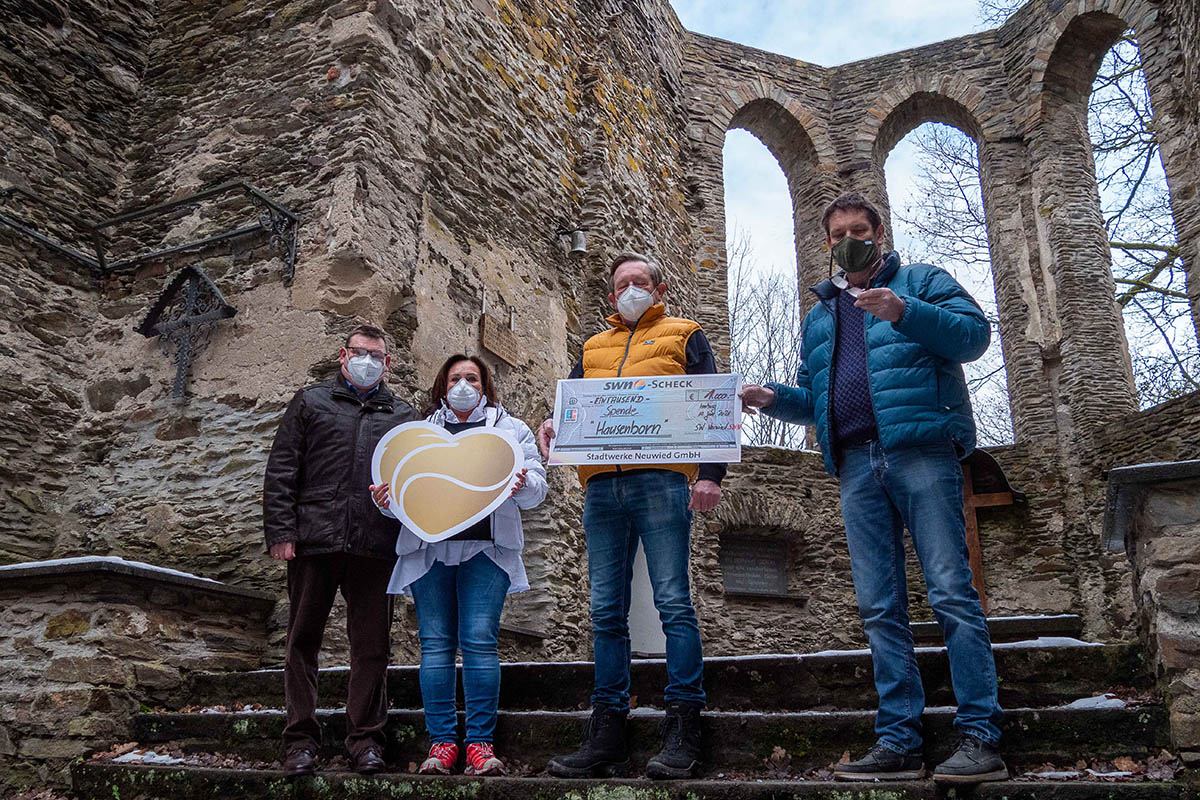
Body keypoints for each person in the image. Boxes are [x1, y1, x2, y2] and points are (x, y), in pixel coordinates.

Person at [739, 193, 1006, 785]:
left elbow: (972, 338)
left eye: (858, 230)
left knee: (951, 593)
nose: (847, 241)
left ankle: (981, 734)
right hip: (856, 464)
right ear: (826, 243)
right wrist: (773, 398)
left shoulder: (922, 281)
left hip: (921, 452)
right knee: (880, 606)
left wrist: (903, 310)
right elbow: (817, 399)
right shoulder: (820, 315)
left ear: (879, 234)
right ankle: (898, 741)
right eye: (837, 235)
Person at [537, 252, 725, 780]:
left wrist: (710, 474)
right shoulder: (593, 346)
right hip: (601, 486)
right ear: (611, 293)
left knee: (673, 603)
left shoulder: (686, 334)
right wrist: (555, 423)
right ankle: (608, 734)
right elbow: (573, 402)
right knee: (604, 612)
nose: (630, 289)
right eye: (622, 283)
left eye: (639, 281)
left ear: (658, 287)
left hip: (662, 481)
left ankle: (685, 727)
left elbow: (711, 402)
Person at [371, 354, 546, 777]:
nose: (463, 385)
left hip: (487, 551)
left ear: (484, 385)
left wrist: (522, 484)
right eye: (455, 378)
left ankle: (480, 747)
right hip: (430, 552)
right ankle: (442, 745)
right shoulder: (419, 433)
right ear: (442, 386)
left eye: (471, 377)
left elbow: (538, 490)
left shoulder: (511, 430)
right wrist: (388, 502)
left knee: (480, 641)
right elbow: (405, 499)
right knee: (434, 644)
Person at [263, 324, 418, 776]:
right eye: (359, 352)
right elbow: (283, 468)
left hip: (375, 545)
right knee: (301, 641)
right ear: (342, 355)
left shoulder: (403, 416)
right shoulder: (311, 402)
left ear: (388, 363)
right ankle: (300, 742)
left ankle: (366, 740)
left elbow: (413, 483)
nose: (367, 360)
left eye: (376, 355)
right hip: (314, 540)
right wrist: (280, 531)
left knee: (371, 648)